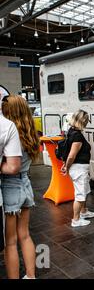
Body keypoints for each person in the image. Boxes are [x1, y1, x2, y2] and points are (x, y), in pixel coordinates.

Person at [1, 95, 38, 279]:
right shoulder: (30, 132)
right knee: (25, 235)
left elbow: (10, 166)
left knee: (10, 242)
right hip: (26, 184)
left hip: (10, 187)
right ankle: (31, 276)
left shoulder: (10, 133)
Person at [60, 109, 94, 227]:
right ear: (82, 121)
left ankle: (83, 211)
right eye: (86, 121)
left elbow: (68, 153)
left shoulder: (71, 131)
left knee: (84, 190)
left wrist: (66, 166)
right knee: (80, 194)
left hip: (79, 168)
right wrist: (66, 167)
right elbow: (71, 155)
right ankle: (76, 220)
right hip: (79, 168)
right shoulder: (77, 136)